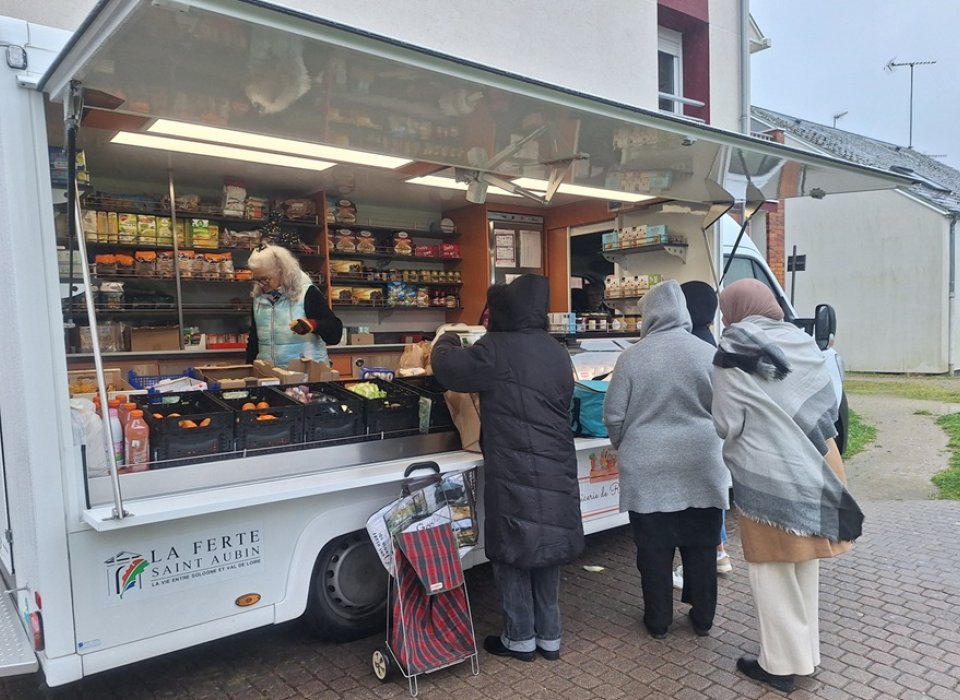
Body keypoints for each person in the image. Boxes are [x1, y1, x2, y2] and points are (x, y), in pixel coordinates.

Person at [711, 278, 863, 693]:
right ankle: (806, 657)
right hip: (818, 464)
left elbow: (727, 423)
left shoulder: (733, 353)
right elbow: (827, 402)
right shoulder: (801, 341)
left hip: (769, 474)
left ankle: (779, 666)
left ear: (736, 308)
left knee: (772, 571)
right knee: (803, 566)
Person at [430, 274, 584, 662]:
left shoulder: (495, 348)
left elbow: (450, 371)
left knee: (512, 548)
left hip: (515, 465)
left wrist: (446, 338)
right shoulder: (555, 350)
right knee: (546, 545)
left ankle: (519, 637)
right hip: (556, 463)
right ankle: (550, 635)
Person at [603, 280, 729, 640]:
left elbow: (614, 417)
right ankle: (702, 618)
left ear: (649, 314)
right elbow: (726, 410)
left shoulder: (631, 358)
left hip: (648, 468)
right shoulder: (708, 353)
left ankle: (658, 622)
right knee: (702, 546)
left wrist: (628, 443)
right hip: (701, 463)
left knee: (654, 550)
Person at [672, 281, 732, 592]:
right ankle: (719, 551)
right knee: (712, 495)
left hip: (692, 439)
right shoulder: (711, 343)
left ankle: (713, 556)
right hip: (713, 438)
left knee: (695, 507)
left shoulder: (686, 345)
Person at [245, 244, 342, 368]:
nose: (261, 285)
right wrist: (250, 370)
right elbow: (254, 340)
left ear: (282, 272)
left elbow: (335, 333)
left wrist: (313, 325)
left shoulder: (307, 293)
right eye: (257, 279)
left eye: (265, 279)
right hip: (270, 376)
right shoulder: (258, 299)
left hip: (307, 376)